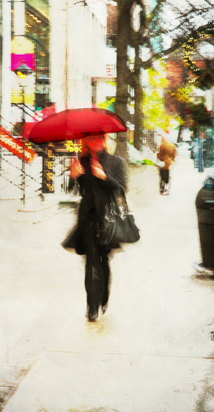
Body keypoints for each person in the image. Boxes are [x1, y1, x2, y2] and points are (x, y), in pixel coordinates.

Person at [62, 134, 127, 321]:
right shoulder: (81, 161)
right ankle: (92, 306)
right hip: (87, 219)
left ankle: (104, 296)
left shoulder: (116, 161)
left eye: (99, 137)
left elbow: (121, 188)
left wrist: (104, 176)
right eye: (91, 138)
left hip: (107, 219)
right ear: (86, 141)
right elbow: (71, 189)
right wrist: (73, 177)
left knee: (103, 261)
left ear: (104, 139)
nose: (96, 141)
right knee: (91, 262)